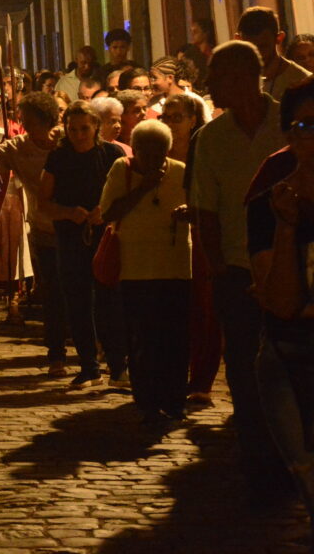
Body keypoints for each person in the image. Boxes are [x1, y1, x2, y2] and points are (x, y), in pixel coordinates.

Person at [190, 40, 291, 503]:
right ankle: (260, 462)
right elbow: (205, 210)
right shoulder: (210, 139)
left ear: (244, 77)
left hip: (293, 265)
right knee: (245, 373)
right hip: (236, 269)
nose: (210, 86)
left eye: (217, 76)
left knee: (294, 365)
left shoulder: (289, 123)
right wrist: (217, 270)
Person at [247, 79, 314, 532]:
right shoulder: (269, 205)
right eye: (305, 125)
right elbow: (282, 302)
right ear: (289, 134)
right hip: (293, 358)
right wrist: (288, 229)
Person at [99, 120, 192, 423]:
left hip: (176, 266)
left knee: (175, 337)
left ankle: (175, 399)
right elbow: (109, 212)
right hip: (135, 267)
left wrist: (189, 213)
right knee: (142, 336)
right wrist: (143, 187)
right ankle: (148, 399)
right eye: (146, 154)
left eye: (159, 154)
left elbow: (201, 207)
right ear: (135, 150)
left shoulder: (180, 171)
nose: (153, 161)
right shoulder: (121, 169)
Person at [40, 101, 128, 389]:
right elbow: (44, 201)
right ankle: (89, 366)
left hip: (105, 237)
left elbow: (126, 196)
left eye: (84, 128)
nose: (79, 134)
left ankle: (118, 367)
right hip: (69, 238)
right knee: (77, 303)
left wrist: (105, 211)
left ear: (96, 128)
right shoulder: (58, 158)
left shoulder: (111, 154)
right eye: (73, 128)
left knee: (110, 303)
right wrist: (68, 212)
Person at [0, 92, 64, 373]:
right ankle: (56, 354)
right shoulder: (16, 148)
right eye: (23, 121)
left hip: (76, 228)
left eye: (30, 121)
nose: (25, 126)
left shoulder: (66, 142)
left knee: (82, 294)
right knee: (53, 295)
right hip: (43, 230)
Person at [160, 94, 219, 406]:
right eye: (166, 117)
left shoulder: (205, 146)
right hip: (167, 238)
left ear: (193, 118)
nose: (170, 123)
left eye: (177, 117)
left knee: (205, 309)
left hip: (200, 235)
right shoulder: (159, 151)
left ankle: (201, 379)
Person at [236, 6, 311, 101]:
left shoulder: (302, 82)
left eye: (263, 46)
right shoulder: (234, 82)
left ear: (279, 38)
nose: (257, 54)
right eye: (249, 48)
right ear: (238, 40)